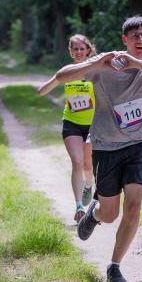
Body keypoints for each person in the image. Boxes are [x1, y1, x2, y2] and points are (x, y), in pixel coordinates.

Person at [54, 16, 142, 282]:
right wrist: (95, 62)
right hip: (105, 147)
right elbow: (61, 76)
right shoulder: (103, 63)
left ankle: (114, 266)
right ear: (124, 40)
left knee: (134, 208)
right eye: (133, 35)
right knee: (110, 214)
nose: (139, 39)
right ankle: (94, 213)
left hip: (138, 145)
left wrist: (138, 63)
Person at [38, 34, 96, 222]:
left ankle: (89, 184)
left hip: (93, 125)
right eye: (75, 49)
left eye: (82, 49)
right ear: (70, 52)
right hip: (71, 122)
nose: (79, 52)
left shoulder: (96, 70)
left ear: (88, 50)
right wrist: (55, 79)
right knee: (77, 162)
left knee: (88, 165)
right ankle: (79, 205)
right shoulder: (67, 71)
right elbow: (43, 91)